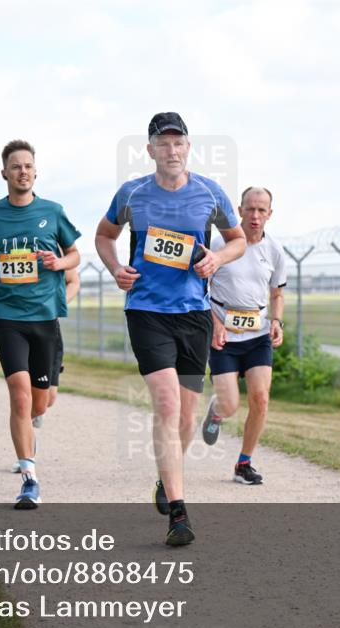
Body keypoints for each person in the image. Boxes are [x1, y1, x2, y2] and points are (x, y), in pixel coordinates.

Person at [95, 112, 245, 546]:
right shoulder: (132, 193)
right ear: (150, 150)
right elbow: (104, 236)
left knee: (186, 415)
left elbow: (236, 240)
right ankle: (179, 514)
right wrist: (115, 268)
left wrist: (218, 259)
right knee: (165, 404)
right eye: (163, 143)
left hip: (194, 314)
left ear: (188, 147)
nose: (172, 150)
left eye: (178, 142)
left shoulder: (209, 193)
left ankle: (167, 477)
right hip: (146, 310)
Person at [0, 139, 81, 510]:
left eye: (28, 165)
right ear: (4, 173)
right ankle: (29, 477)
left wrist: (60, 264)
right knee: (20, 395)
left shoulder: (53, 212)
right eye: (15, 166)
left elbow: (75, 254)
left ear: (35, 171)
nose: (22, 171)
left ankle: (33, 425)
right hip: (7, 316)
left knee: (41, 401)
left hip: (45, 318)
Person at [200, 187, 287, 486]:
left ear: (270, 214)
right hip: (223, 335)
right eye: (250, 209)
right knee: (230, 404)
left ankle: (244, 463)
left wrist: (277, 321)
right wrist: (215, 324)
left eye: (262, 210)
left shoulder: (274, 250)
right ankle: (217, 411)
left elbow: (277, 293)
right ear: (239, 210)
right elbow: (199, 291)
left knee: (260, 398)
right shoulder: (219, 245)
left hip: (257, 333)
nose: (255, 215)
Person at [0, 263, 80, 472]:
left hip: (48, 329)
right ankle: (26, 452)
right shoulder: (2, 243)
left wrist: (58, 303)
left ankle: (31, 420)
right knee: (21, 397)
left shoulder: (50, 244)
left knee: (45, 402)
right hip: (12, 326)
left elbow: (73, 281)